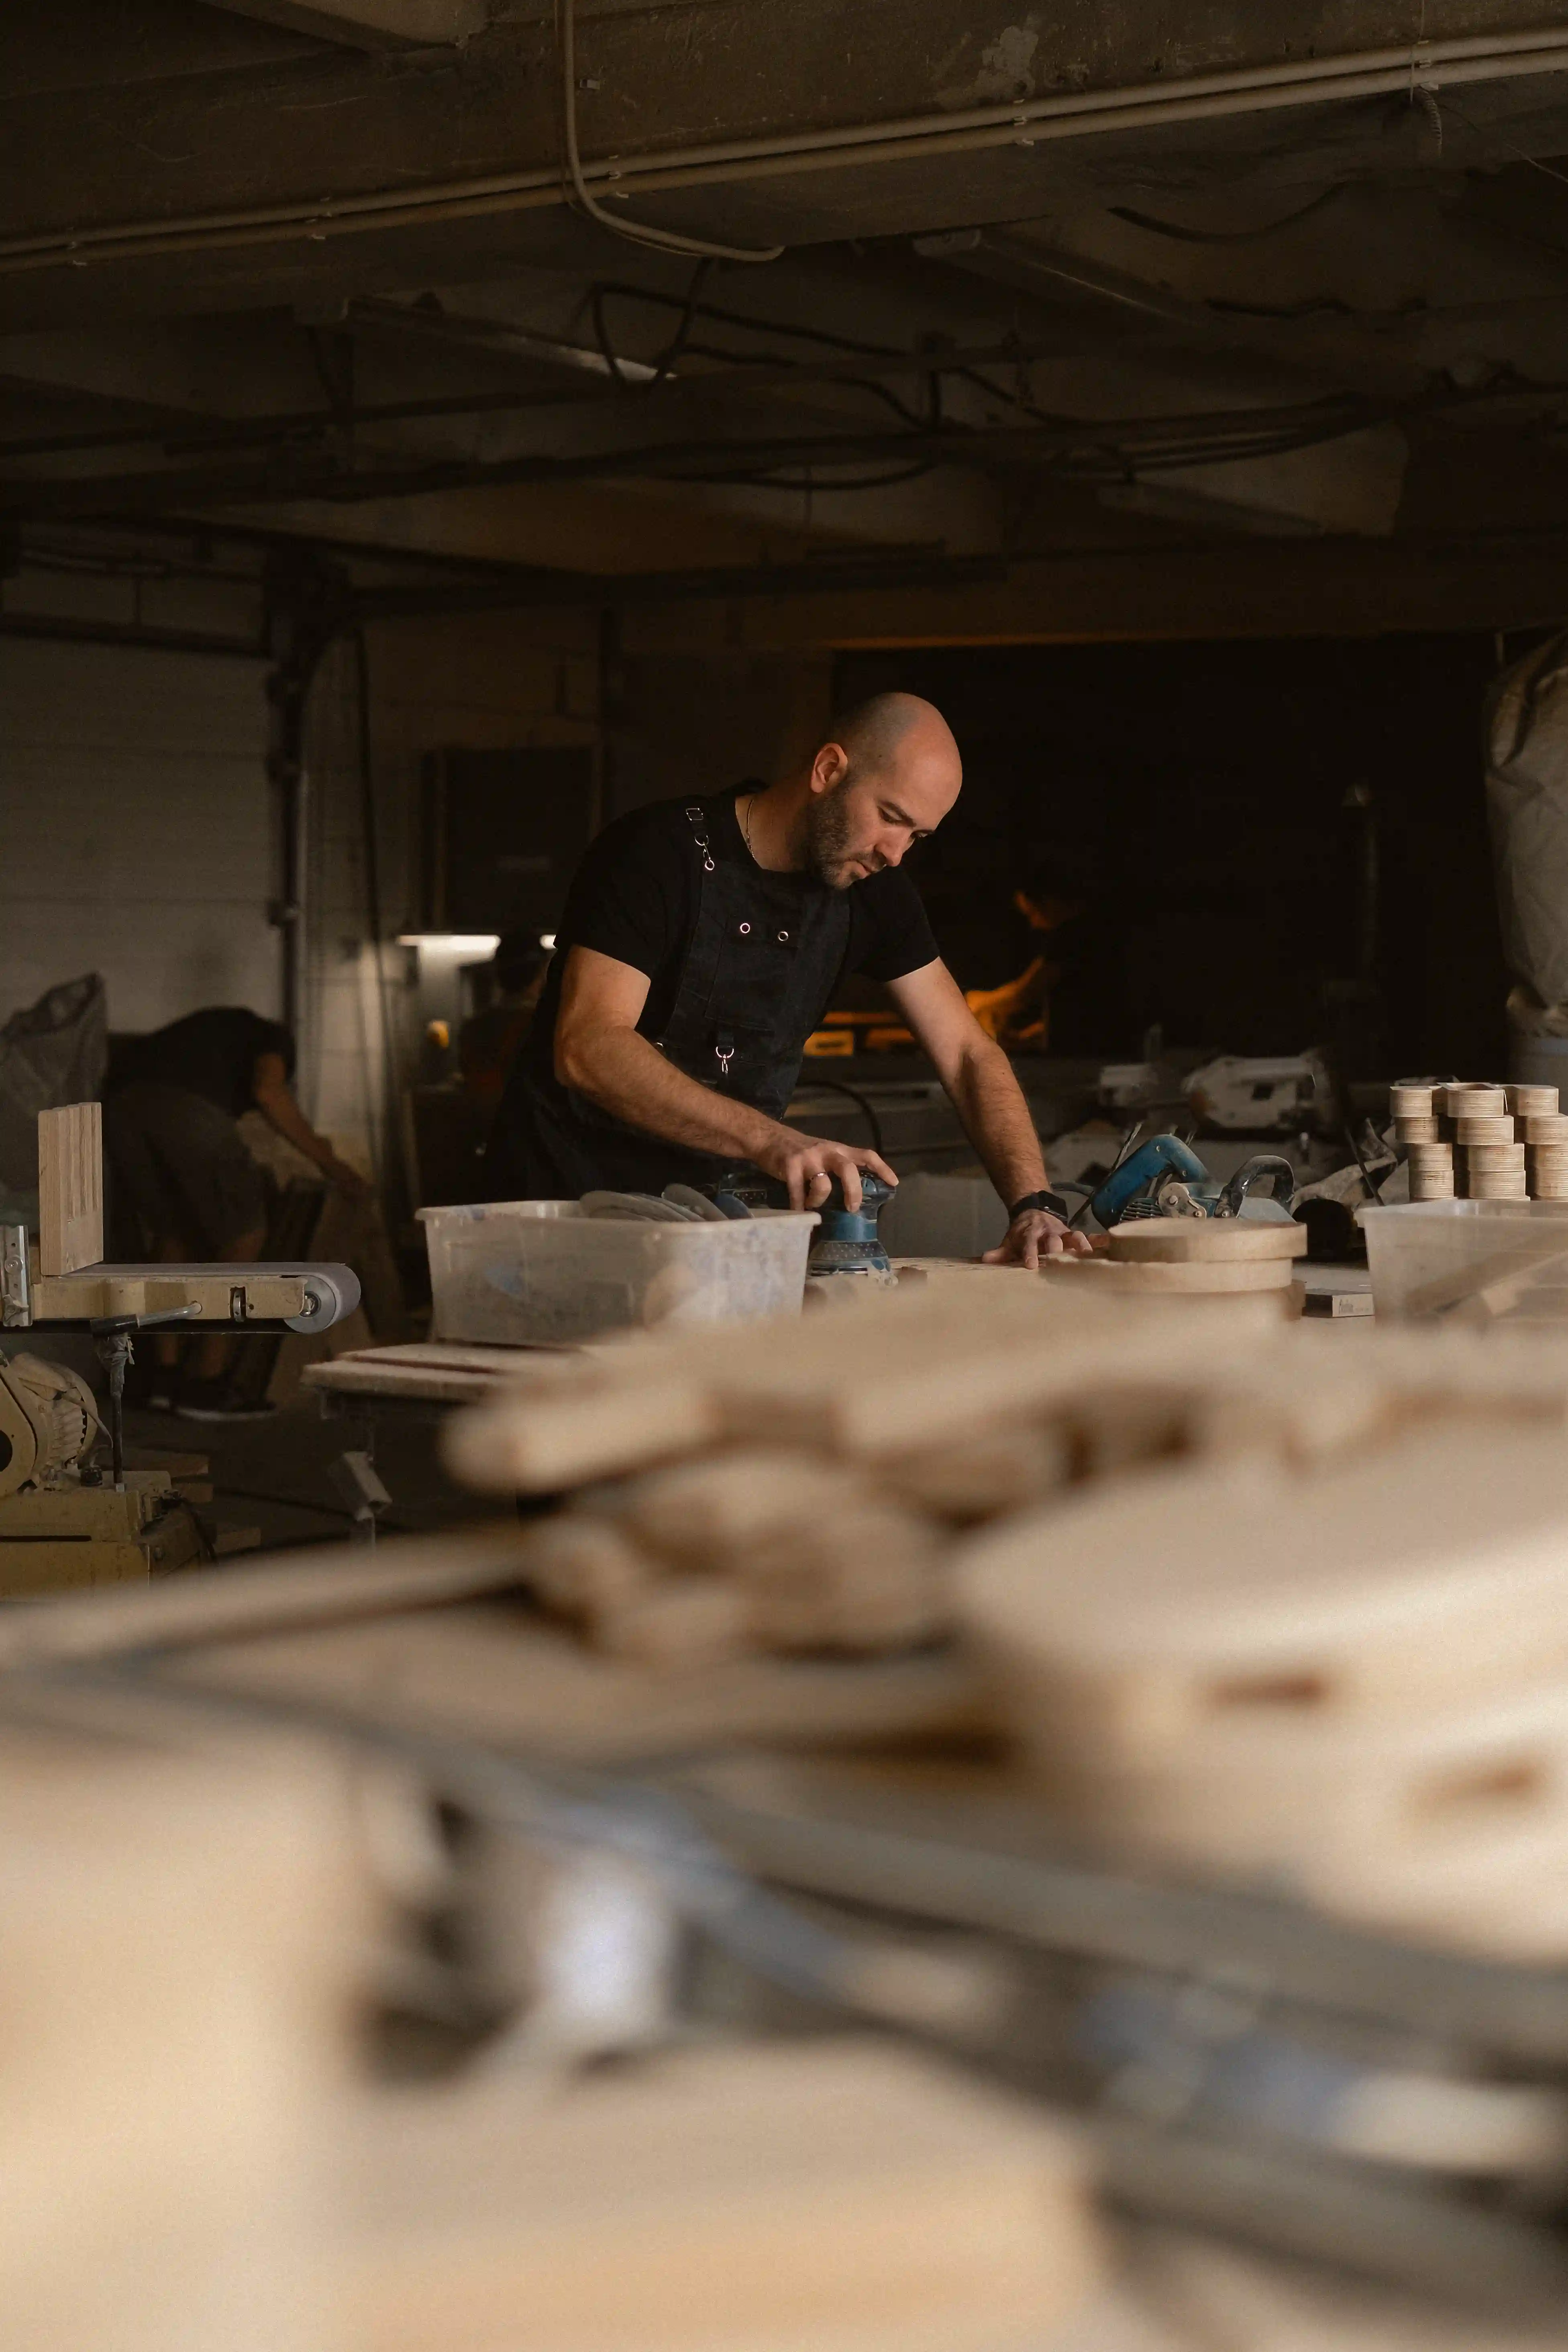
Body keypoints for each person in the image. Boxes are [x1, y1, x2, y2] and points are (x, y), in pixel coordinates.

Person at [484, 694, 1088, 1266]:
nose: (895, 853)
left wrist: (1034, 1204)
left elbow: (966, 1053)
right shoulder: (657, 853)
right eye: (890, 817)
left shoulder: (877, 895)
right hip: (564, 1227)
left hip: (708, 1237)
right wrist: (772, 1141)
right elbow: (589, 1047)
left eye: (918, 836)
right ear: (828, 769)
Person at [104, 1006, 369, 1419]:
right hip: (186, 1112)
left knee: (174, 1235)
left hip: (116, 1111)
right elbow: (269, 1092)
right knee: (243, 1236)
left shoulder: (209, 1032)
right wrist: (333, 1165)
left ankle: (162, 1380)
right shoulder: (272, 1037)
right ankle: (205, 1387)